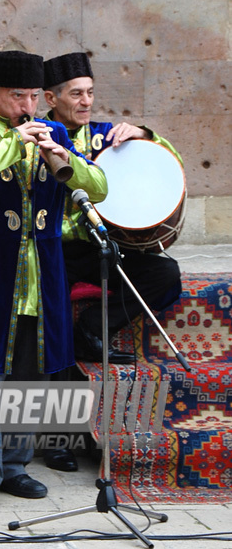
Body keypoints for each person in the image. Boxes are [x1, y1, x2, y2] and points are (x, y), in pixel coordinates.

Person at [0, 50, 107, 513]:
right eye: (17, 96)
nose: (27, 105)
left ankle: (14, 466)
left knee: (28, 369)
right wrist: (12, 142)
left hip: (40, 272)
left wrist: (59, 153)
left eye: (34, 96)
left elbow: (98, 188)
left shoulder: (53, 132)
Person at [43, 52, 182, 365]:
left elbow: (169, 162)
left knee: (165, 273)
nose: (87, 102)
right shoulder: (36, 136)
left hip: (99, 245)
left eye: (90, 93)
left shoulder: (104, 135)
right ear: (51, 98)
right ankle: (58, 360)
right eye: (77, 93)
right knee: (49, 296)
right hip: (50, 248)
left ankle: (92, 329)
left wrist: (143, 134)